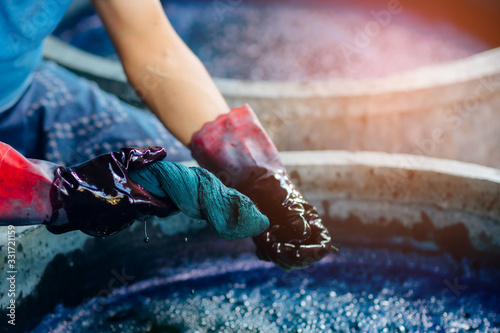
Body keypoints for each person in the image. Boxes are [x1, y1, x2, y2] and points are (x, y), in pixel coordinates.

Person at [0, 0, 332, 270]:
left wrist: (253, 169)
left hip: (22, 92)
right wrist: (64, 191)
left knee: (180, 169)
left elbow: (152, 45)